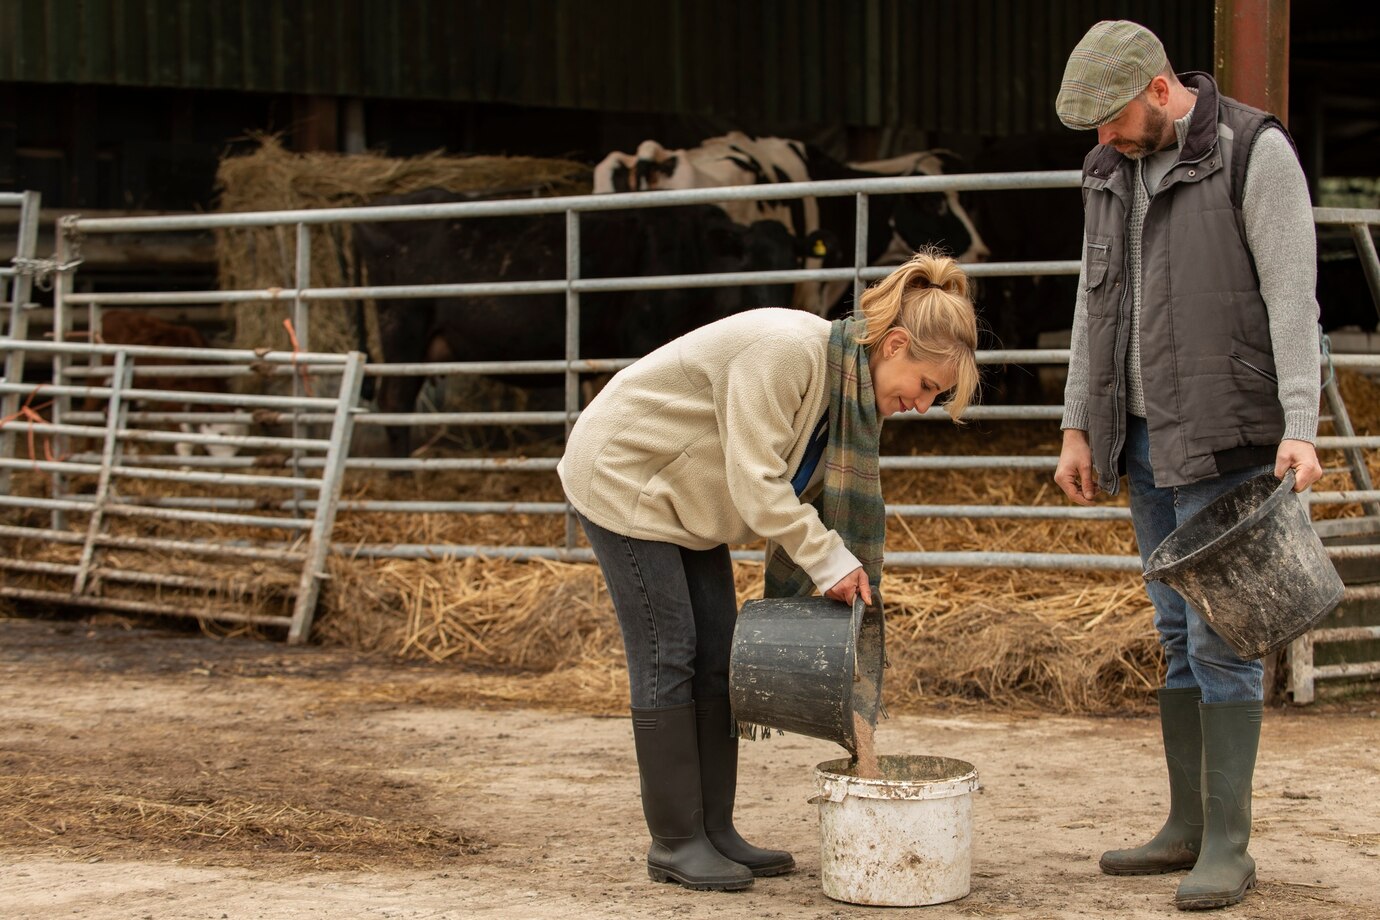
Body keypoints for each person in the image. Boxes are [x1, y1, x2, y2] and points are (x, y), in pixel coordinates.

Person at [557, 249, 980, 891]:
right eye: (926, 386)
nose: (922, 405)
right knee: (669, 650)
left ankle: (716, 830)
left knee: (718, 655)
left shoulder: (844, 392)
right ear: (894, 344)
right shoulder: (788, 350)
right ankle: (675, 841)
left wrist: (834, 557)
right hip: (627, 476)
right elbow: (756, 481)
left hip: (688, 498)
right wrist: (831, 560)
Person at [1052, 20, 1323, 912]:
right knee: (1175, 632)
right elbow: (1094, 302)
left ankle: (1231, 846)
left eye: (1113, 119)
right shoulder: (1110, 172)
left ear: (1161, 89)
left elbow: (1292, 292)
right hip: (1140, 432)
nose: (1104, 140)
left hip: (1222, 429)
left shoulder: (1254, 152)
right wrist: (1078, 428)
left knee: (1223, 635)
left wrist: (1300, 423)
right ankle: (1186, 827)